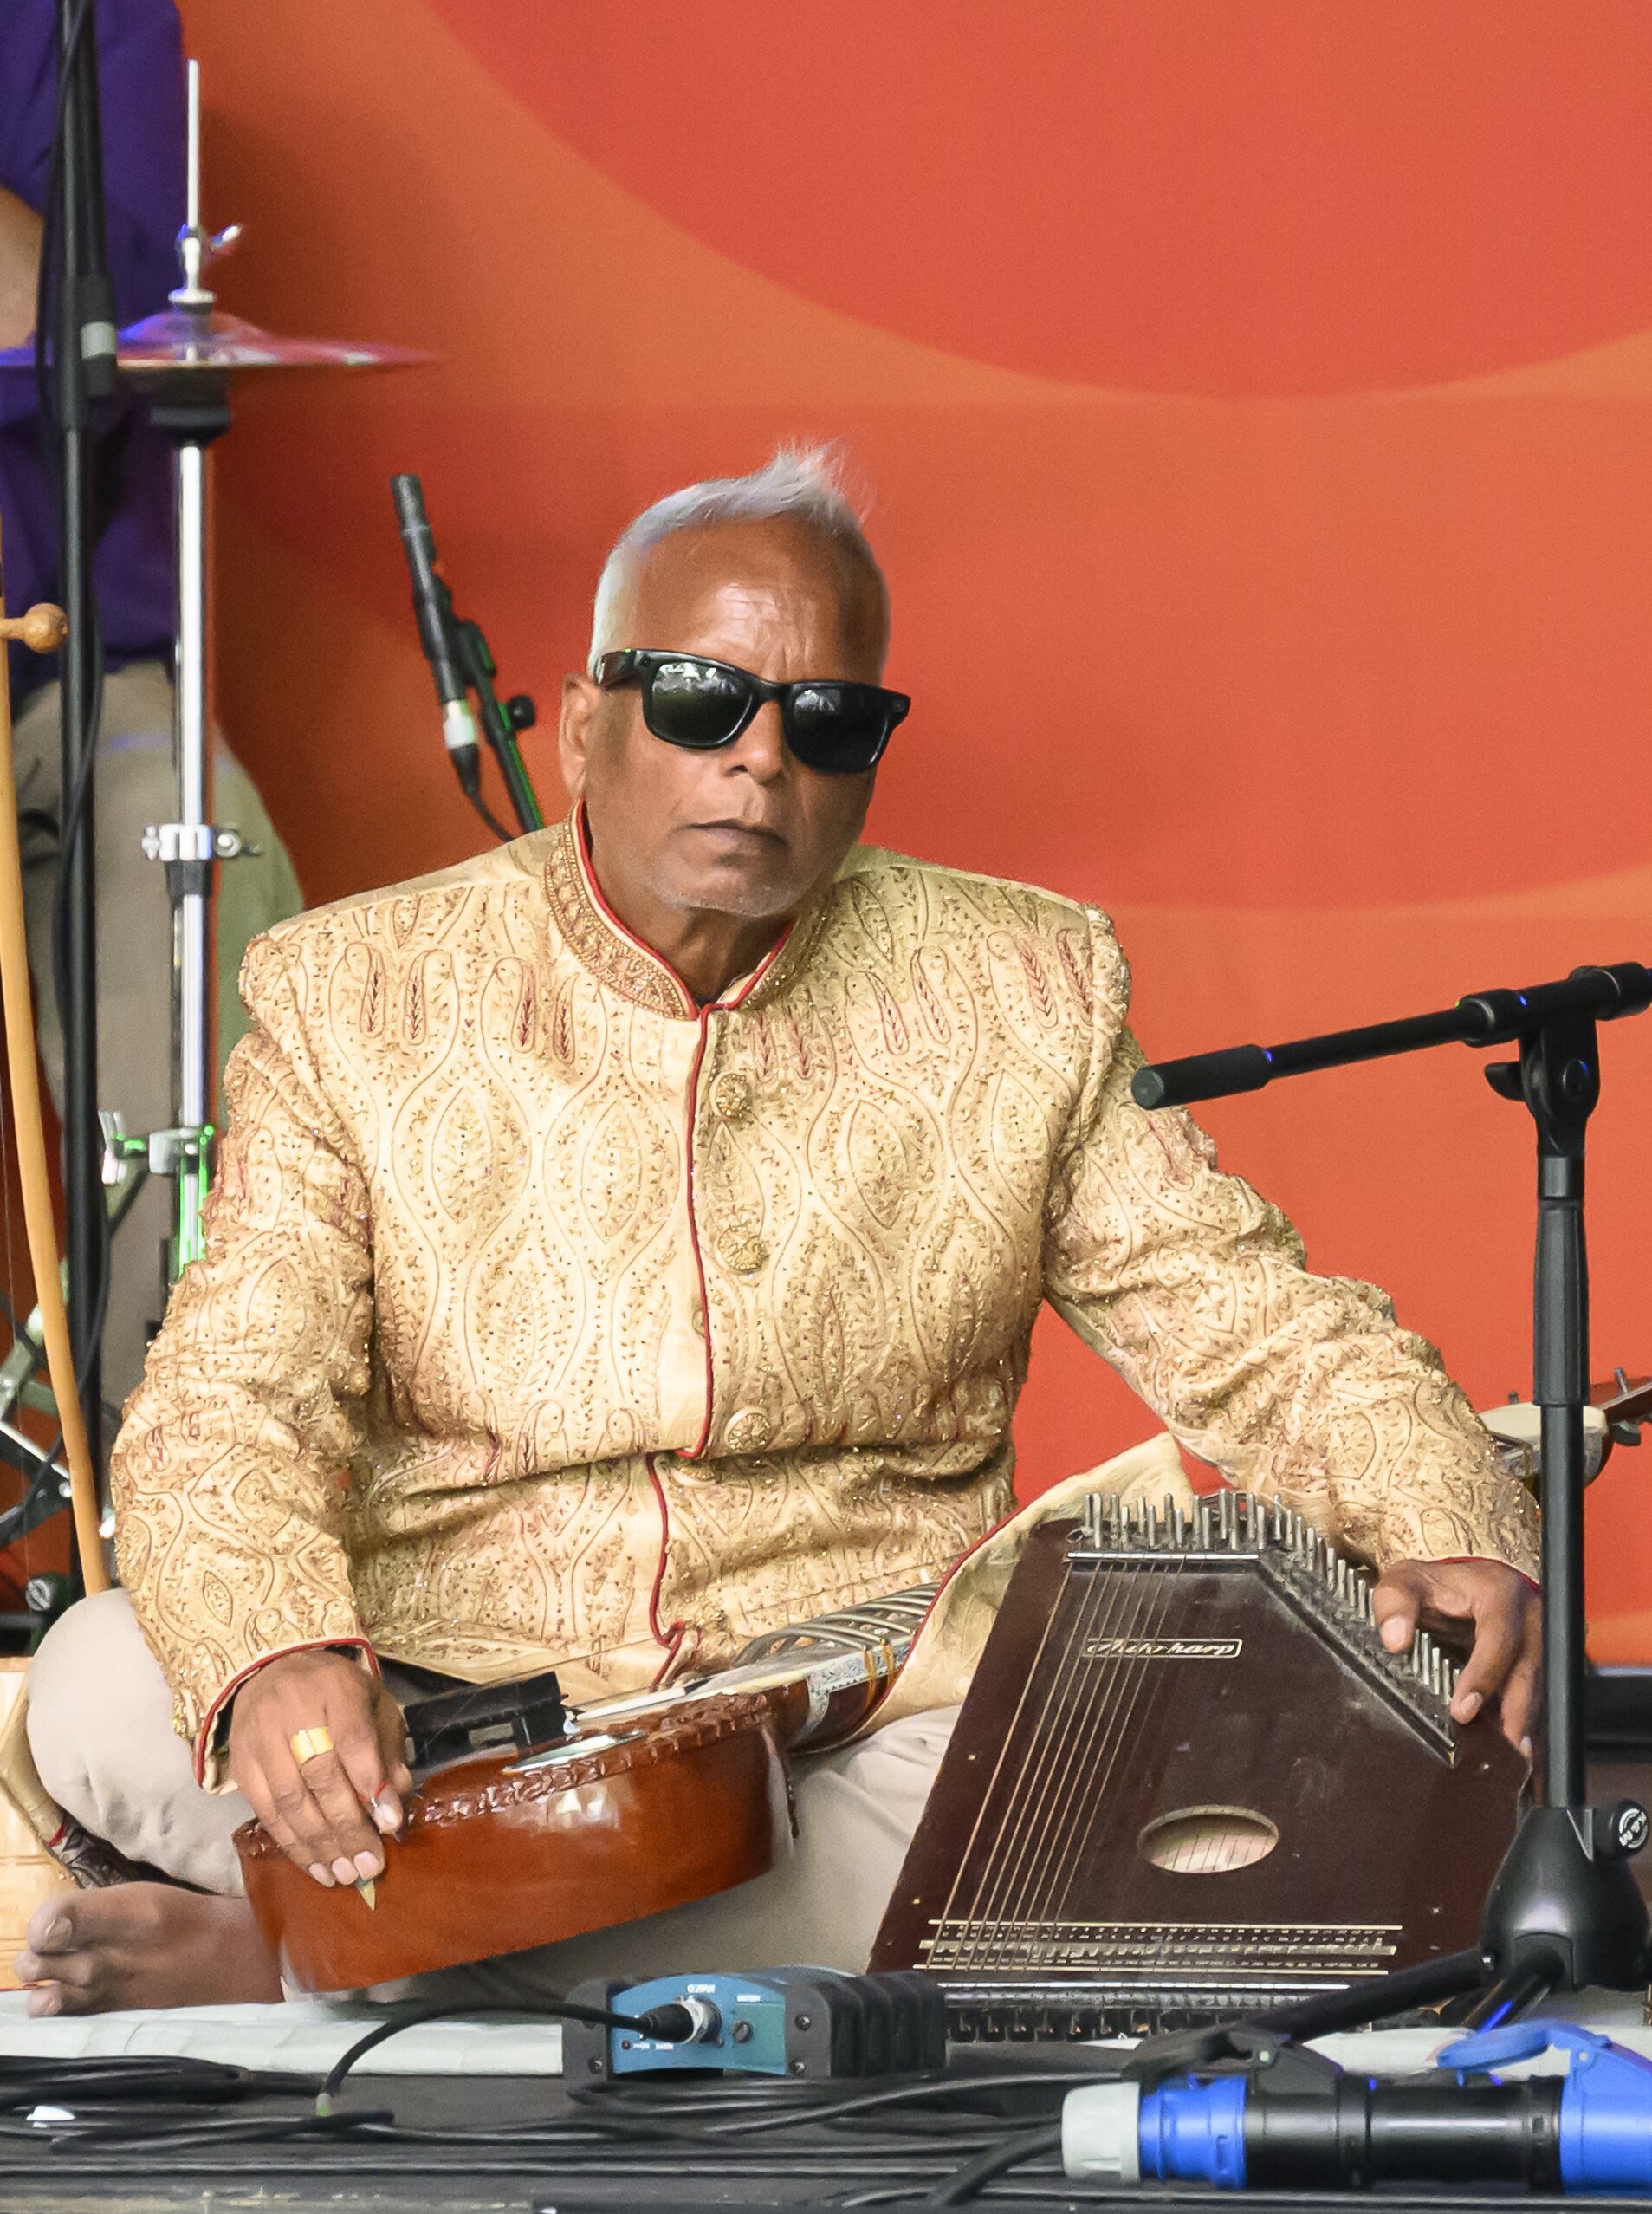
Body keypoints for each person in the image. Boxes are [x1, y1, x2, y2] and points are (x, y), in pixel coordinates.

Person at [14, 445, 1540, 2016]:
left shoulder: (1018, 991)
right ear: (586, 724)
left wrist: (1448, 1505)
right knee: (104, 1684)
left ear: (870, 759)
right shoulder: (362, 996)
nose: (759, 763)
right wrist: (277, 1658)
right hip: (458, 1705)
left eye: (825, 723)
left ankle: (318, 1958)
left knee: (1202, 1765)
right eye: (697, 702)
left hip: (862, 1718)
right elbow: (224, 1406)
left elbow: (1252, 1317)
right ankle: (535, 1955)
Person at [0, 0, 303, 1408]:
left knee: (205, 917)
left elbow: (76, 319)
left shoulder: (83, 16)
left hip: (72, 680)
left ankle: (179, 1541)